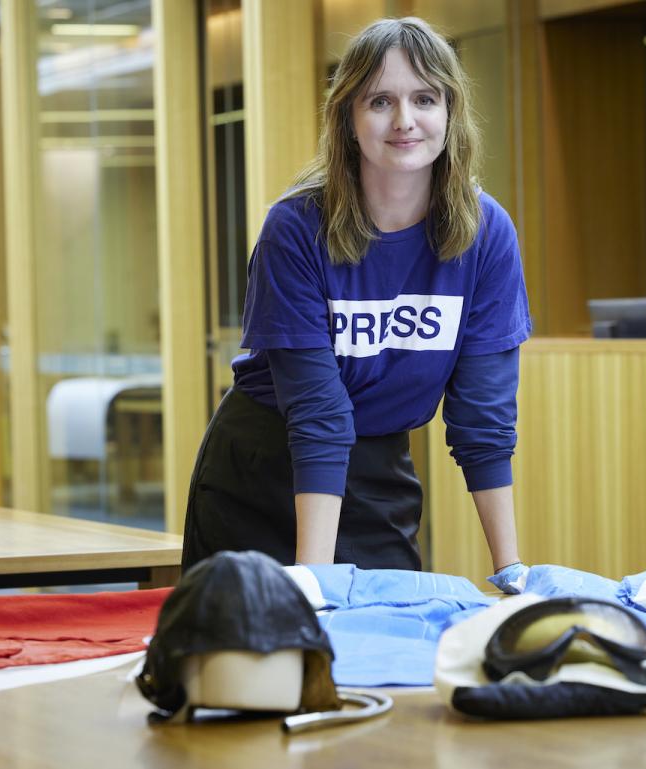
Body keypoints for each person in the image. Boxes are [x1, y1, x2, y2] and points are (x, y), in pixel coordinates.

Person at [181, 17, 532, 593]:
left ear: (450, 113)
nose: (404, 120)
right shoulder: (294, 229)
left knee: (391, 662)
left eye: (425, 98)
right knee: (275, 659)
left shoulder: (484, 231)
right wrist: (313, 586)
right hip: (267, 469)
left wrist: (511, 571)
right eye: (379, 101)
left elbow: (484, 416)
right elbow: (317, 417)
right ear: (348, 118)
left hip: (378, 470)